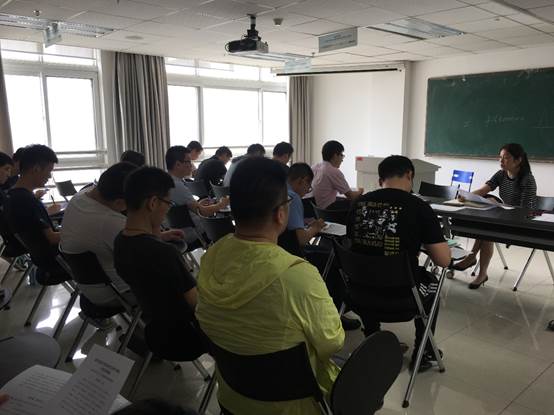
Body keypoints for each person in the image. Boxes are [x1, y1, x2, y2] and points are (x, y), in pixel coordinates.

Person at [196, 157, 344, 415]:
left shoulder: (211, 258)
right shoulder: (297, 275)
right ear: (280, 213)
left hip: (232, 398)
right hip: (292, 406)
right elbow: (332, 342)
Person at [347, 155, 451, 372]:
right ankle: (423, 352)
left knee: (370, 270)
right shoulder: (419, 207)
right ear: (410, 175)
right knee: (432, 284)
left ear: (380, 179)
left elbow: (353, 245)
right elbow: (443, 260)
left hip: (359, 294)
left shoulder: (358, 204)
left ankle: (373, 338)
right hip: (403, 297)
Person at [114, 166, 205, 361]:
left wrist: (157, 233)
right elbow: (198, 304)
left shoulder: (120, 241)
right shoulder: (165, 254)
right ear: (153, 203)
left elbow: (144, 245)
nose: (168, 208)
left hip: (156, 334)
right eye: (168, 203)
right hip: (188, 338)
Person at [285, 162, 360, 331]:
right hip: (293, 255)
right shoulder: (293, 198)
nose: (307, 191)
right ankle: (334, 316)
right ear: (302, 180)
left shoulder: (277, 192)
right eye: (308, 187)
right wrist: (316, 227)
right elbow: (302, 239)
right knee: (334, 262)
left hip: (279, 251)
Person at [452, 143, 538, 289]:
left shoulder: (527, 179)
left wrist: (498, 205)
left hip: (521, 223)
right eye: (500, 157)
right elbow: (484, 190)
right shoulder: (501, 174)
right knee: (486, 227)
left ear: (518, 160)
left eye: (506, 158)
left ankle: (473, 261)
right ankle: (478, 268)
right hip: (505, 218)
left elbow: (524, 211)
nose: (501, 161)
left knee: (487, 229)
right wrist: (466, 197)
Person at [61, 163, 140, 307]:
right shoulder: (109, 221)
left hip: (90, 287)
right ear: (119, 202)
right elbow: (145, 259)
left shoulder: (80, 197)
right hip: (116, 294)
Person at [5, 145, 68, 282]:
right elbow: (52, 238)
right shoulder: (27, 200)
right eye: (49, 171)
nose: (49, 176)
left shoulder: (12, 196)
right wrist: (81, 232)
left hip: (42, 261)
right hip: (57, 261)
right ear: (36, 169)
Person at [166, 146, 229, 243]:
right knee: (229, 229)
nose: (191, 165)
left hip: (178, 229)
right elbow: (203, 212)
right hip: (195, 234)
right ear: (178, 164)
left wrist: (199, 204)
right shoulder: (177, 186)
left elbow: (187, 207)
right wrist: (221, 204)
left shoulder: (168, 180)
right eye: (188, 161)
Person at [312, 140, 363, 209]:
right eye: (341, 155)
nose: (342, 160)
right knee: (356, 202)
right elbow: (351, 196)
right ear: (335, 155)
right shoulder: (333, 171)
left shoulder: (314, 167)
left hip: (316, 209)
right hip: (327, 210)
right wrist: (360, 191)